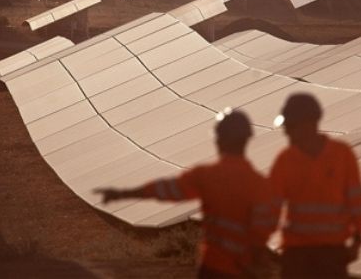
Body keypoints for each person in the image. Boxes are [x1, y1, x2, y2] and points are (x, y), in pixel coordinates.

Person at [95, 109, 279, 278]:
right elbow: (266, 227)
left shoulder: (207, 176)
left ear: (219, 139)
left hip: (214, 265)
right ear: (246, 140)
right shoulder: (260, 184)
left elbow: (166, 189)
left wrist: (123, 194)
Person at [270, 93, 361, 278]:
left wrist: (357, 240)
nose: (286, 132)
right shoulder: (285, 160)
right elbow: (270, 209)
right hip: (297, 256)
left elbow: (357, 203)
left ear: (309, 123)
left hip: (331, 255)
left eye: (290, 126)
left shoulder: (342, 155)